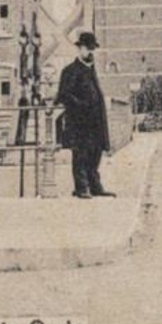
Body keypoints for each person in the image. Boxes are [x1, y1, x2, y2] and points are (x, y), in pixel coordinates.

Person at [54, 30, 113, 198]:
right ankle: (82, 188)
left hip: (95, 121)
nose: (90, 52)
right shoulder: (70, 70)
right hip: (79, 121)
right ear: (79, 49)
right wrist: (81, 106)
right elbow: (63, 94)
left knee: (95, 152)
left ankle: (95, 185)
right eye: (87, 48)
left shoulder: (91, 69)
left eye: (92, 48)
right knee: (80, 153)